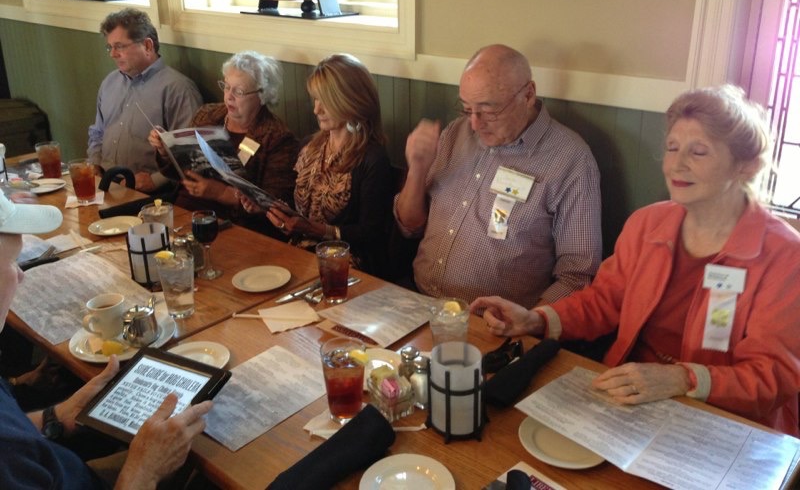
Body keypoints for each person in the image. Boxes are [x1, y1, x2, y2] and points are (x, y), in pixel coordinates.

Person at [472, 85, 800, 436]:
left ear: (745, 166)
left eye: (699, 151)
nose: (677, 163)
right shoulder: (648, 224)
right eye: (672, 148)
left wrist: (681, 379)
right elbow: (603, 302)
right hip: (628, 396)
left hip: (725, 423)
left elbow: (772, 375)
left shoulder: (785, 256)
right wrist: (535, 319)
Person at [0, 192, 214, 488]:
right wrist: (144, 470)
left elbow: (14, 431)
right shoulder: (6, 459)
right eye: (13, 262)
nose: (21, 276)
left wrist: (58, 416)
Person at [394, 44, 602, 308]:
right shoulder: (455, 134)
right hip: (418, 298)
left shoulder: (570, 160)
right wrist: (417, 169)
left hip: (490, 325)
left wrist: (528, 324)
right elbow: (408, 226)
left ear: (528, 95)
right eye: (467, 109)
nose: (475, 124)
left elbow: (578, 277)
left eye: (489, 110)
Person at [242, 53, 393, 275]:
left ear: (351, 100)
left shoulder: (372, 158)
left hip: (347, 266)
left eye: (326, 101)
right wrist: (266, 208)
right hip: (299, 253)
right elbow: (300, 213)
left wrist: (315, 230)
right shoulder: (309, 147)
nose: (316, 110)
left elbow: (371, 235)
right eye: (315, 99)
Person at [149, 50, 298, 231]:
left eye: (239, 91)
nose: (229, 96)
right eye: (226, 86)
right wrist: (166, 151)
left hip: (234, 226)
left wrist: (219, 193)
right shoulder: (206, 115)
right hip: (184, 211)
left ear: (262, 95)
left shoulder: (278, 138)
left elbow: (273, 205)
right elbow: (178, 172)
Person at [88, 8, 202, 193]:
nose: (113, 54)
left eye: (120, 46)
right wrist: (94, 164)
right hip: (104, 182)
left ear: (148, 46)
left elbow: (191, 154)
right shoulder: (110, 82)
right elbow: (97, 133)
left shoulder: (178, 89)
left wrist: (155, 181)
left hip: (149, 192)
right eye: (110, 47)